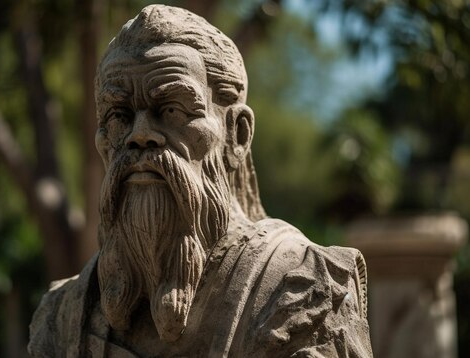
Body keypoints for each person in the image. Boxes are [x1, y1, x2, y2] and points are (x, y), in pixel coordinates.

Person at [29, 5, 373, 357]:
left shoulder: (303, 294)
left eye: (173, 111)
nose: (140, 134)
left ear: (236, 135)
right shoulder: (63, 316)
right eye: (120, 115)